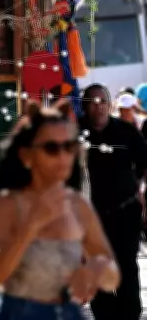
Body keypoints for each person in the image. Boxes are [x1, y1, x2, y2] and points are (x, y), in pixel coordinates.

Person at [0, 100, 119, 320]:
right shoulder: (9, 204)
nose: (63, 157)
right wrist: (29, 227)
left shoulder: (77, 205)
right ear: (27, 156)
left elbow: (113, 276)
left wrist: (99, 268)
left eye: (69, 147)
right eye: (51, 148)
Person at [79, 84, 147, 320]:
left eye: (102, 101)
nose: (98, 107)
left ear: (109, 105)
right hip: (92, 218)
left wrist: (140, 191)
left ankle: (130, 314)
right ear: (85, 106)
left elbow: (144, 165)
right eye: (92, 102)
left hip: (125, 213)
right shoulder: (75, 134)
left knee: (127, 267)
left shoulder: (127, 133)